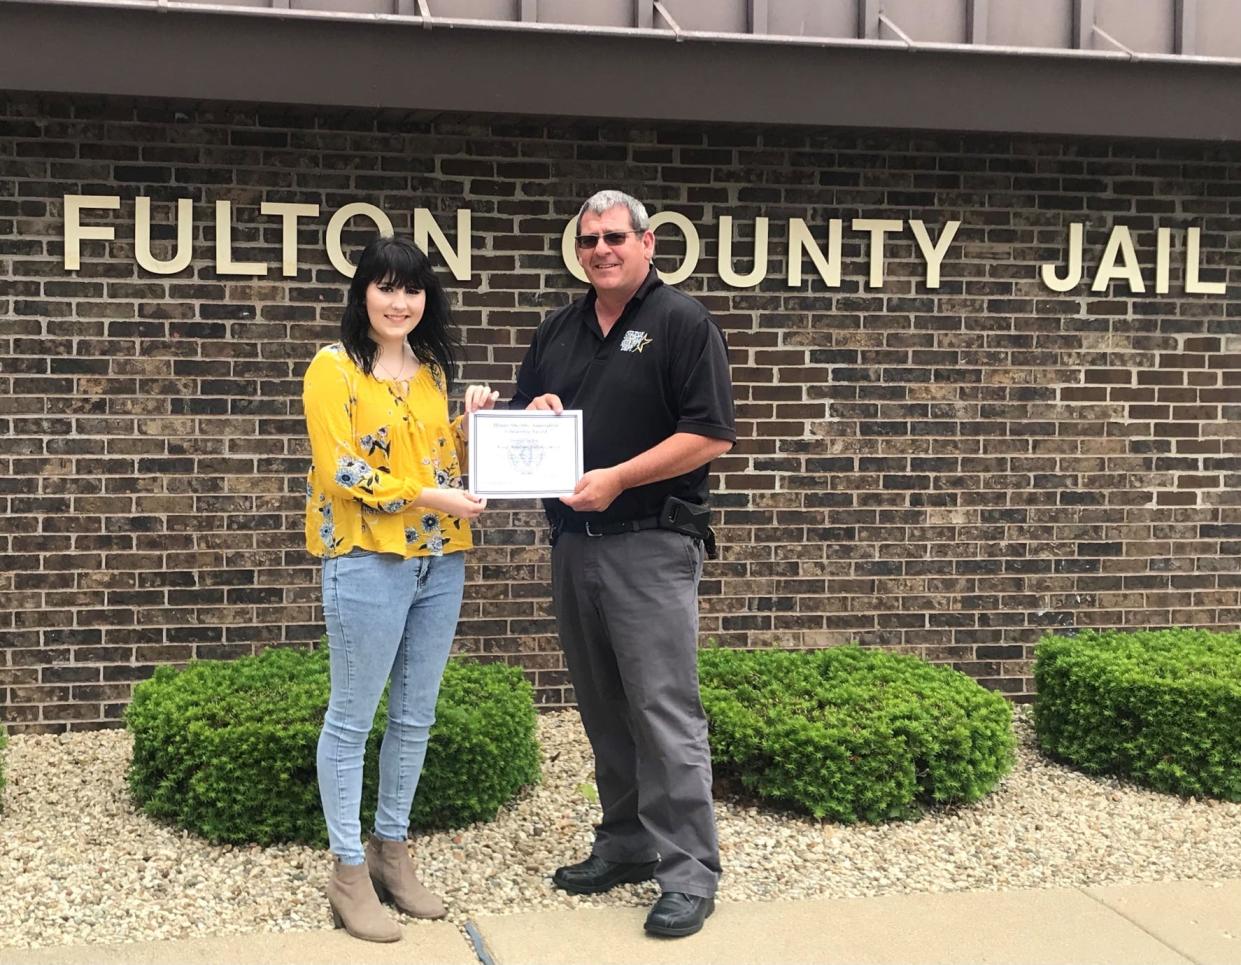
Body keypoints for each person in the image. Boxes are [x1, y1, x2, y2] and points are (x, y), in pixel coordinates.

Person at [511, 190, 736, 938]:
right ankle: (627, 843)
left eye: (613, 237)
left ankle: (689, 871)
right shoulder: (558, 329)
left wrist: (617, 478)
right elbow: (520, 423)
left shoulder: (680, 322)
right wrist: (531, 413)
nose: (600, 250)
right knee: (603, 705)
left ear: (647, 243)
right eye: (588, 241)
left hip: (650, 540)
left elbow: (707, 436)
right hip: (574, 547)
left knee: (663, 709)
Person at [302, 234, 499, 943]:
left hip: (439, 561)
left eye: (412, 288)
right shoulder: (333, 367)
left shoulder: (430, 370)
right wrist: (430, 497)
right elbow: (342, 472)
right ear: (363, 293)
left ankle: (391, 848)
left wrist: (471, 427)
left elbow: (440, 461)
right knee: (352, 719)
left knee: (414, 716)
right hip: (365, 558)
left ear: (425, 299)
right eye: (386, 286)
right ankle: (348, 870)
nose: (399, 300)